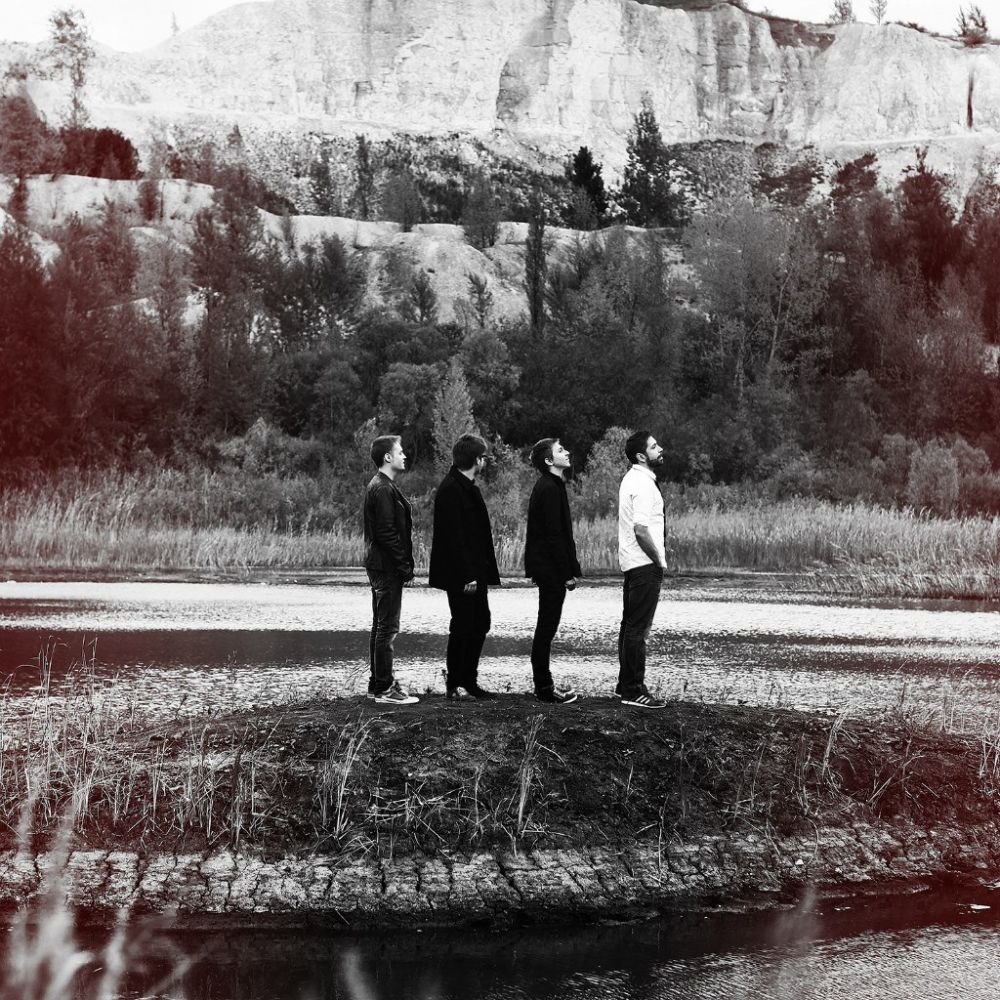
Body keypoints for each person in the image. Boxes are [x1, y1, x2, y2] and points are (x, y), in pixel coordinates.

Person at [429, 433, 501, 699]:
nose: (485, 462)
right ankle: (456, 684)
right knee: (462, 624)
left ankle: (469, 681)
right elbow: (453, 538)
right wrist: (467, 574)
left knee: (480, 622)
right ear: (476, 459)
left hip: (475, 571)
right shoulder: (450, 489)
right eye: (483, 457)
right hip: (461, 574)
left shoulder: (469, 488)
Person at [362, 434, 419, 705]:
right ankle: (385, 689)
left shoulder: (382, 485)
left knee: (380, 626)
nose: (404, 455)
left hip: (379, 565)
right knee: (387, 628)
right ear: (388, 457)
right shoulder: (382, 488)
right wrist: (404, 567)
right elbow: (386, 533)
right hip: (386, 567)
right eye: (400, 452)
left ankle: (377, 685)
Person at [524, 438, 581, 704]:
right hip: (550, 570)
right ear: (549, 461)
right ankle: (544, 688)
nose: (566, 452)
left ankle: (544, 685)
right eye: (560, 450)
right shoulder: (548, 487)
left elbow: (560, 533)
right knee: (546, 627)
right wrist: (566, 572)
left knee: (547, 626)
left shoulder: (553, 485)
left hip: (549, 568)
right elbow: (553, 535)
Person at [617, 429, 668, 709]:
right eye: (654, 447)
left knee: (630, 626)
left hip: (633, 563)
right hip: (644, 564)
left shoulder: (632, 479)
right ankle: (633, 690)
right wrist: (658, 558)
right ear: (641, 456)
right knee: (638, 629)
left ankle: (625, 685)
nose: (660, 450)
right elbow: (640, 529)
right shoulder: (643, 484)